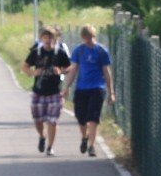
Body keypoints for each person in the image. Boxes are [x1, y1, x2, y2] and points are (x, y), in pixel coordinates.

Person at [66, 23, 112, 156]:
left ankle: (92, 146)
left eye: (90, 38)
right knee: (81, 117)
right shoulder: (79, 50)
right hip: (81, 88)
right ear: (83, 37)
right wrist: (67, 87)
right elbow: (73, 69)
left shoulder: (101, 51)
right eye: (86, 38)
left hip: (97, 88)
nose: (88, 41)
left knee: (93, 117)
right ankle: (84, 137)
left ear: (94, 36)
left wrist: (111, 92)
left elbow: (107, 72)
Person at [24, 25, 71, 155]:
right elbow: (25, 66)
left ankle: (50, 147)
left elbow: (69, 67)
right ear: (42, 38)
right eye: (45, 37)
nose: (48, 40)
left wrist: (60, 71)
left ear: (54, 38)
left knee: (53, 120)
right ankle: (42, 136)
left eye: (50, 37)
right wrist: (33, 73)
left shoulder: (59, 53)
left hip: (55, 92)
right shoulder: (36, 52)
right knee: (37, 119)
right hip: (38, 91)